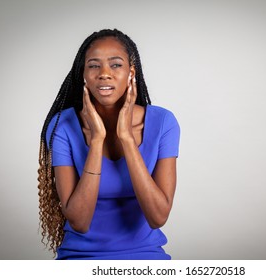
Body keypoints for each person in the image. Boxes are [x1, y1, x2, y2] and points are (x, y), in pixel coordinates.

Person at [37, 29, 180, 260]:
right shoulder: (62, 126)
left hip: (146, 257)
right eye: (94, 65)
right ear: (83, 74)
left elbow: (158, 216)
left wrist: (126, 138)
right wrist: (96, 141)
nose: (104, 74)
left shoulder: (163, 123)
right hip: (80, 259)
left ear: (131, 73)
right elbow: (79, 221)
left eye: (115, 65)